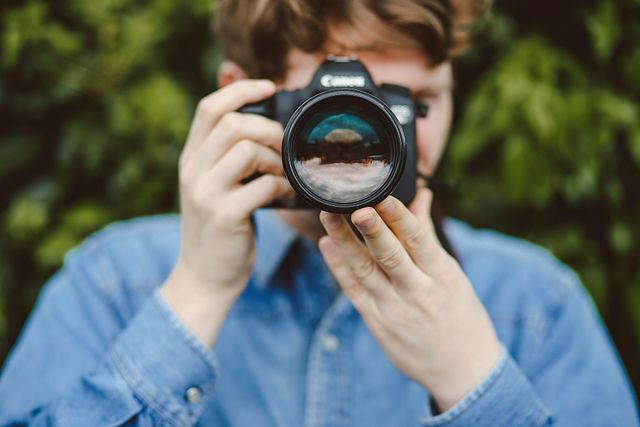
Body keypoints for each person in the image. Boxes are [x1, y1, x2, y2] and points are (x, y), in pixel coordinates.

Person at [0, 0, 637, 425]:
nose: (380, 139)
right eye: (348, 110)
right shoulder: (115, 281)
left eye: (413, 104)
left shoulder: (536, 303)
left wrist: (474, 378)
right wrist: (196, 295)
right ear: (242, 100)